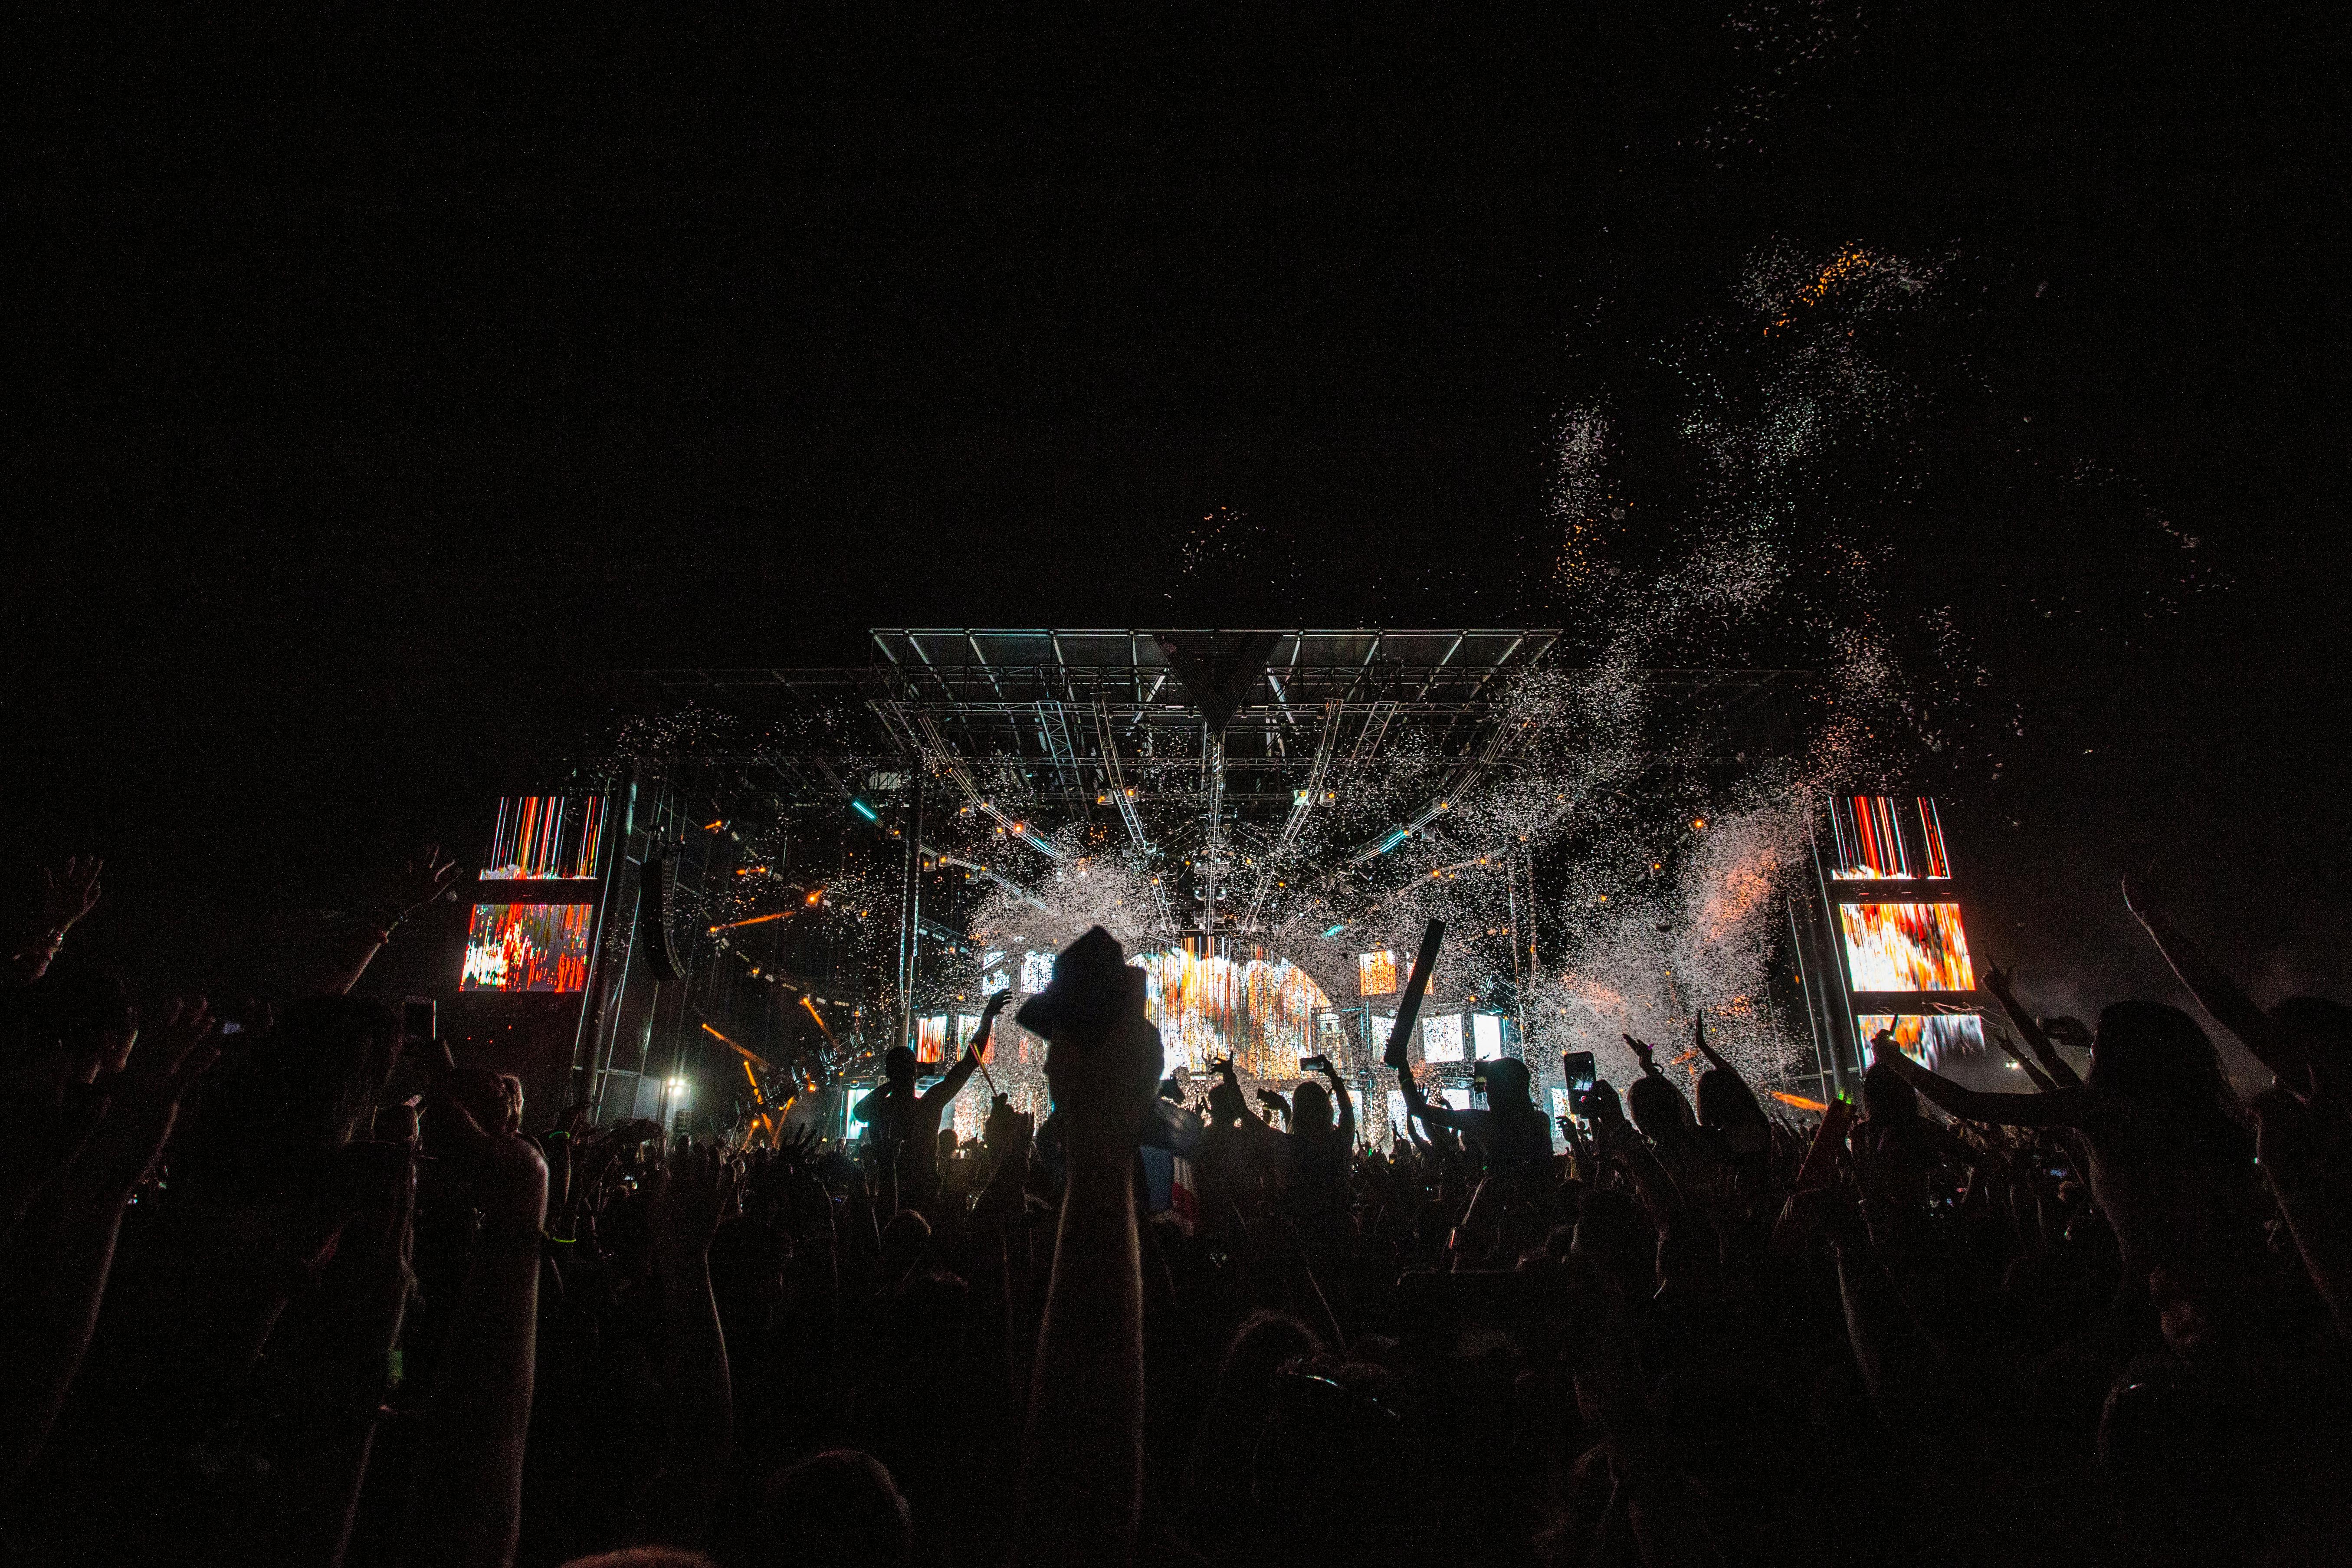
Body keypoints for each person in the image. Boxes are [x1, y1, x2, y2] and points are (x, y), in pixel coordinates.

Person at [853, 991, 1007, 1199]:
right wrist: (987, 1016)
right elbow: (971, 1061)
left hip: (888, 1193)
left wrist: (894, 1080)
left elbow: (859, 1112)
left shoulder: (881, 1108)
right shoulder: (927, 1105)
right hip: (923, 1191)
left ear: (888, 1073)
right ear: (915, 1071)